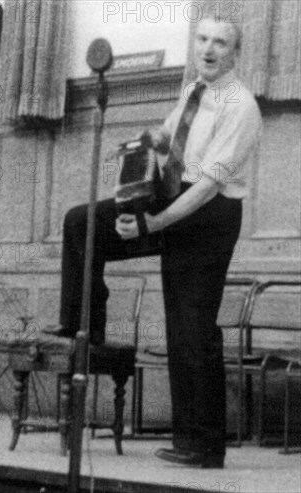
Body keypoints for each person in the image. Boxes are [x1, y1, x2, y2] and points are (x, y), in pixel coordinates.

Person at [53, 14, 262, 468]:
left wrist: (150, 225)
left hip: (210, 215)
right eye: (202, 39)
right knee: (81, 223)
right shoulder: (193, 90)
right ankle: (82, 329)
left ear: (234, 52)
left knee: (190, 329)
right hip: (174, 196)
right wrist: (141, 141)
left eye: (221, 43)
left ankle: (203, 445)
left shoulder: (241, 105)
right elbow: (169, 137)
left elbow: (207, 187)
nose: (209, 48)